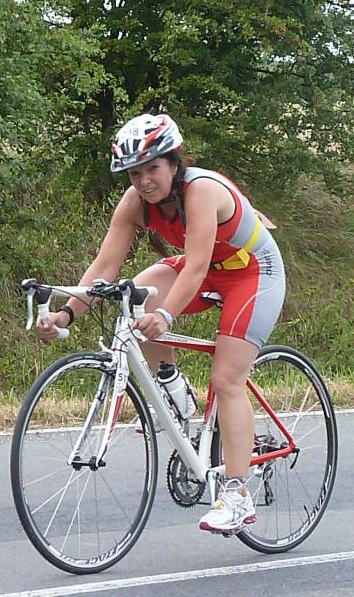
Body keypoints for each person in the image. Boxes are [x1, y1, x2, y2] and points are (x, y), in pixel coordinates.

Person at [36, 113, 286, 534]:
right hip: (205, 271)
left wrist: (166, 315)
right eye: (135, 173)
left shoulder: (200, 190)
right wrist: (67, 314)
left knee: (227, 379)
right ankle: (173, 389)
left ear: (174, 163)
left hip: (252, 273)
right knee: (137, 295)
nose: (144, 181)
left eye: (153, 168)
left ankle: (237, 494)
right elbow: (106, 266)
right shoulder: (134, 202)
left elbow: (197, 266)